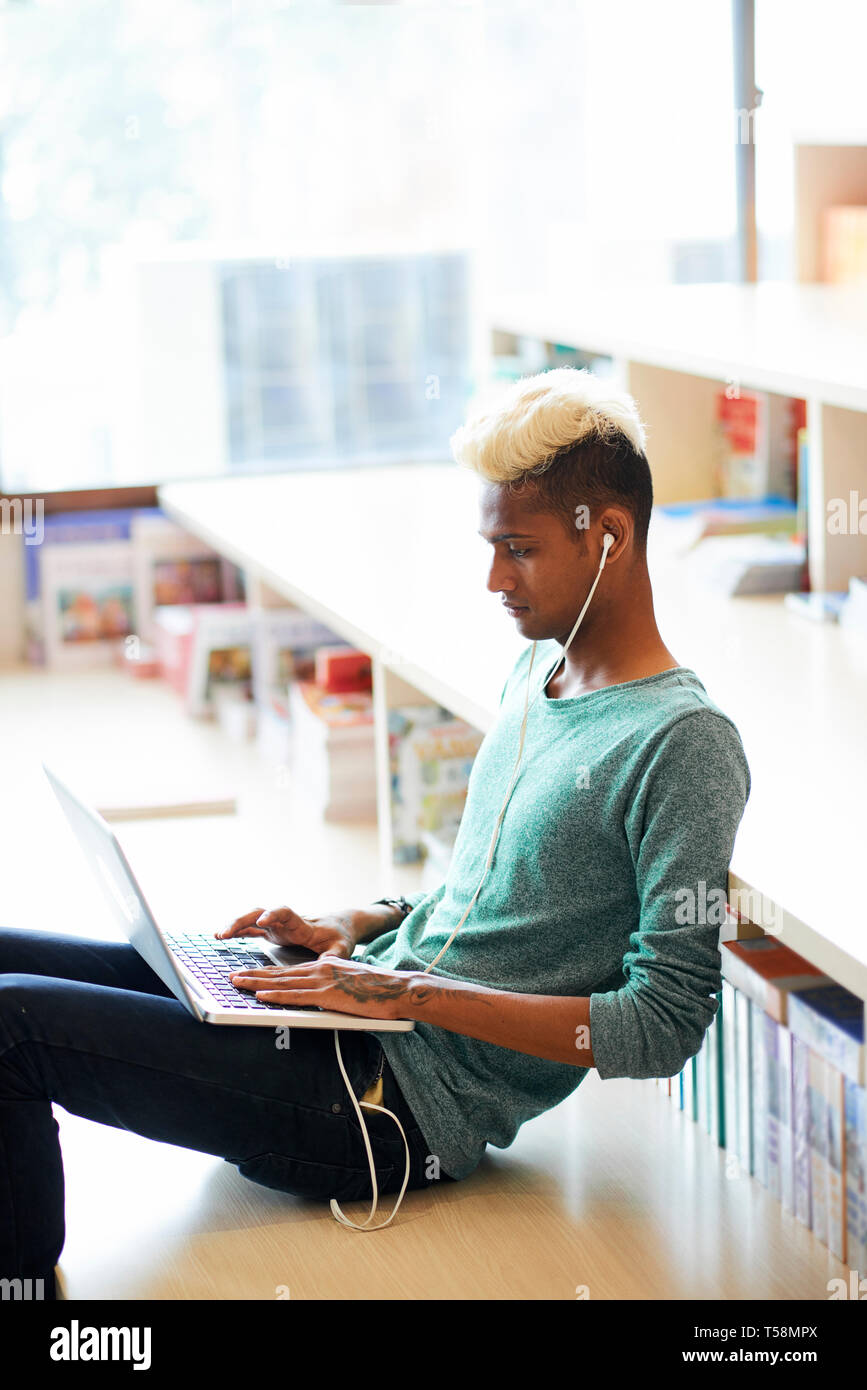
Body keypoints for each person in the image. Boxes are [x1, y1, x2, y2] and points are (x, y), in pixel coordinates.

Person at [0, 367, 750, 1296]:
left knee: (11, 1023)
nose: (491, 579)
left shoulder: (683, 744)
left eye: (516, 549)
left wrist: (412, 998)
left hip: (384, 1109)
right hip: (352, 1017)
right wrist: (354, 928)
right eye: (489, 545)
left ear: (609, 537)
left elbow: (664, 1025)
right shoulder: (538, 675)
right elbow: (484, 897)